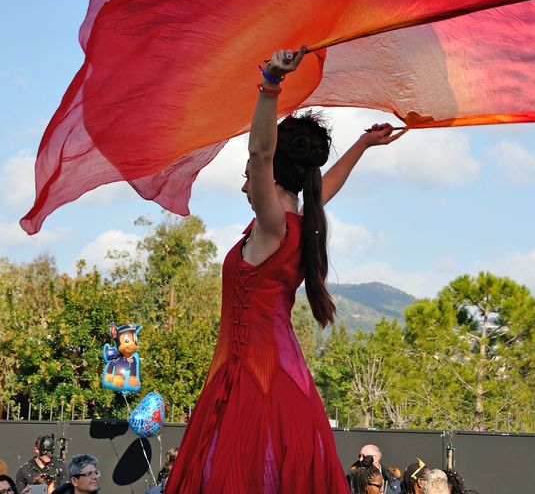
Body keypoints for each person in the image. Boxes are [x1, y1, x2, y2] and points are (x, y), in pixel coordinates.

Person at [163, 47, 403, 493]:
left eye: (251, 175)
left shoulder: (273, 225)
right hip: (276, 377)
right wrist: (362, 144)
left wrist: (271, 84)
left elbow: (259, 150)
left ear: (270, 176)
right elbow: (322, 186)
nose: (245, 183)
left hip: (256, 383)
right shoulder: (300, 220)